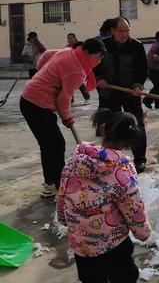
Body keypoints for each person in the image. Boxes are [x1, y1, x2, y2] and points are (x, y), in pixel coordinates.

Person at [57, 109, 151, 283]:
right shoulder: (122, 171)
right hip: (113, 242)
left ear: (104, 129)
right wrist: (142, 232)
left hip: (81, 244)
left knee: (91, 279)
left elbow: (62, 197)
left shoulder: (73, 163)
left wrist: (64, 219)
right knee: (125, 276)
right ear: (129, 142)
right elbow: (133, 207)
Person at [20, 38, 105, 197]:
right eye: (98, 57)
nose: (99, 61)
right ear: (86, 53)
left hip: (29, 99)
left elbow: (45, 55)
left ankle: (50, 184)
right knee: (57, 144)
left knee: (48, 145)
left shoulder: (69, 52)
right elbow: (63, 99)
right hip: (36, 105)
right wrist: (67, 118)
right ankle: (61, 189)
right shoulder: (77, 71)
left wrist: (43, 74)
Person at [94, 17, 148, 173]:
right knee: (109, 127)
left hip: (130, 93)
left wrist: (138, 85)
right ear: (112, 31)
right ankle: (110, 159)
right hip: (108, 92)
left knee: (136, 125)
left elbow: (142, 69)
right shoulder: (103, 45)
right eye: (121, 31)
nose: (125, 34)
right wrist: (99, 79)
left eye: (127, 31)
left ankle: (140, 160)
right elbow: (94, 66)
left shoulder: (136, 46)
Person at [143, 31, 159, 110]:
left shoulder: (156, 45)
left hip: (153, 69)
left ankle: (158, 103)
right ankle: (147, 100)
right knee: (158, 87)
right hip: (153, 70)